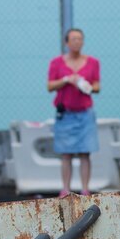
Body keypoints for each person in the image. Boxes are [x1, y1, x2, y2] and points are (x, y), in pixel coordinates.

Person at [47, 28, 100, 198]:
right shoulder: (56, 63)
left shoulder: (93, 62)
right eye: (73, 39)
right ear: (67, 42)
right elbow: (50, 86)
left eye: (80, 39)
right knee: (66, 153)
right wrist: (66, 80)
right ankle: (66, 189)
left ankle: (85, 189)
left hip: (85, 113)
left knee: (85, 152)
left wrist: (87, 86)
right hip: (66, 114)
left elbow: (97, 86)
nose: (77, 42)